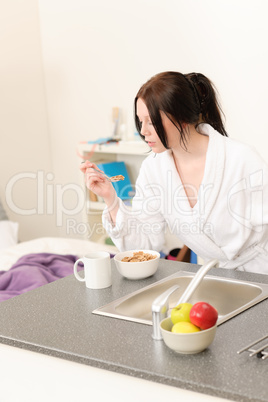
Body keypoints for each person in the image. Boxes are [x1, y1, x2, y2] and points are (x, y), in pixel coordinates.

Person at [80, 71, 268, 274]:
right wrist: (111, 199)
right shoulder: (154, 170)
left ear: (181, 118)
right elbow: (144, 246)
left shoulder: (242, 159)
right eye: (140, 121)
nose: (143, 131)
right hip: (217, 275)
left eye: (151, 121)